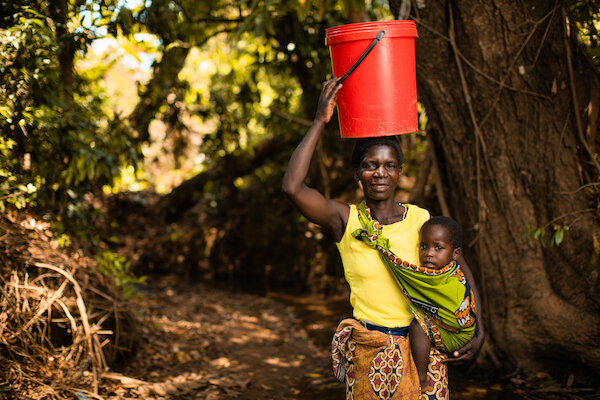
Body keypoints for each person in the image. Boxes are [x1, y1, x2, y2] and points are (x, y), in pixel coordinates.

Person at [282, 78, 484, 399]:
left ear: (400, 171)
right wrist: (320, 120)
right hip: (369, 352)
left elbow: (458, 269)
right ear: (357, 173)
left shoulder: (421, 220)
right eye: (370, 165)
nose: (380, 173)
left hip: (425, 351)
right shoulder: (344, 221)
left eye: (390, 165)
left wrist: (478, 326)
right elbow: (293, 187)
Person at [405, 216, 477, 392]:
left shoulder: (449, 280)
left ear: (455, 254)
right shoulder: (445, 270)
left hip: (458, 334)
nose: (429, 253)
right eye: (424, 246)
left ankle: (422, 379)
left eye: (438, 248)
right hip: (451, 330)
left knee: (417, 326)